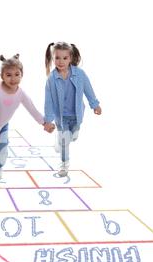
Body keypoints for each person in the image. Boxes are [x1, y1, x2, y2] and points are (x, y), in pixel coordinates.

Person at [0, 54, 55, 182]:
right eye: (8, 75)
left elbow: (32, 109)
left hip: (2, 127)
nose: (13, 79)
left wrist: (45, 123)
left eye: (17, 74)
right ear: (2, 76)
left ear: (22, 75)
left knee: (3, 151)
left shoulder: (21, 94)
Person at [43, 42, 102, 177]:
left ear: (70, 58)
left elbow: (88, 89)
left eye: (65, 58)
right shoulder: (52, 79)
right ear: (53, 59)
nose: (61, 61)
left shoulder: (79, 74)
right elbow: (48, 100)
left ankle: (64, 139)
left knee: (73, 136)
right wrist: (48, 120)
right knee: (65, 140)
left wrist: (95, 104)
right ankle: (64, 164)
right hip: (61, 118)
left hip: (76, 115)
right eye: (57, 58)